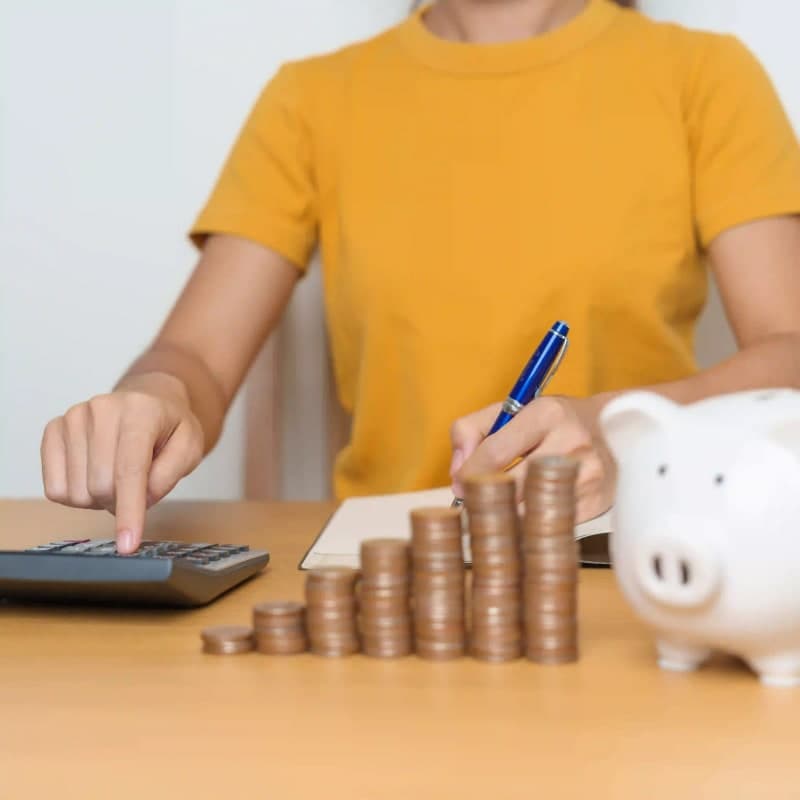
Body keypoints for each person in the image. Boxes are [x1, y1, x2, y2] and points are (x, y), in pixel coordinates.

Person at [40, 0, 800, 553]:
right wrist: (153, 399)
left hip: (633, 561)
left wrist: (620, 428)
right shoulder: (311, 98)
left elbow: (788, 352)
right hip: (390, 573)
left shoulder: (705, 75)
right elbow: (195, 358)